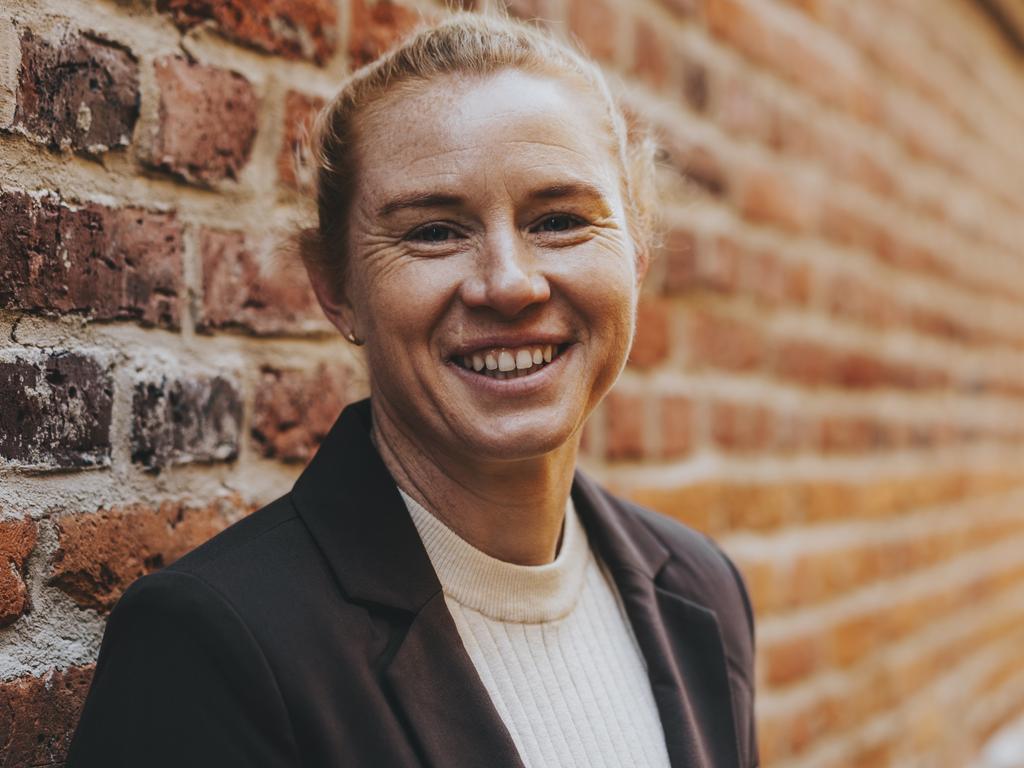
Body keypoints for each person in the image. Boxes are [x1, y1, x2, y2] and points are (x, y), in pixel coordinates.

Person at [67, 13, 757, 768]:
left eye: (559, 220)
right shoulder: (214, 645)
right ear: (336, 287)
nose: (510, 284)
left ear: (638, 252)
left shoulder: (703, 591)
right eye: (433, 231)